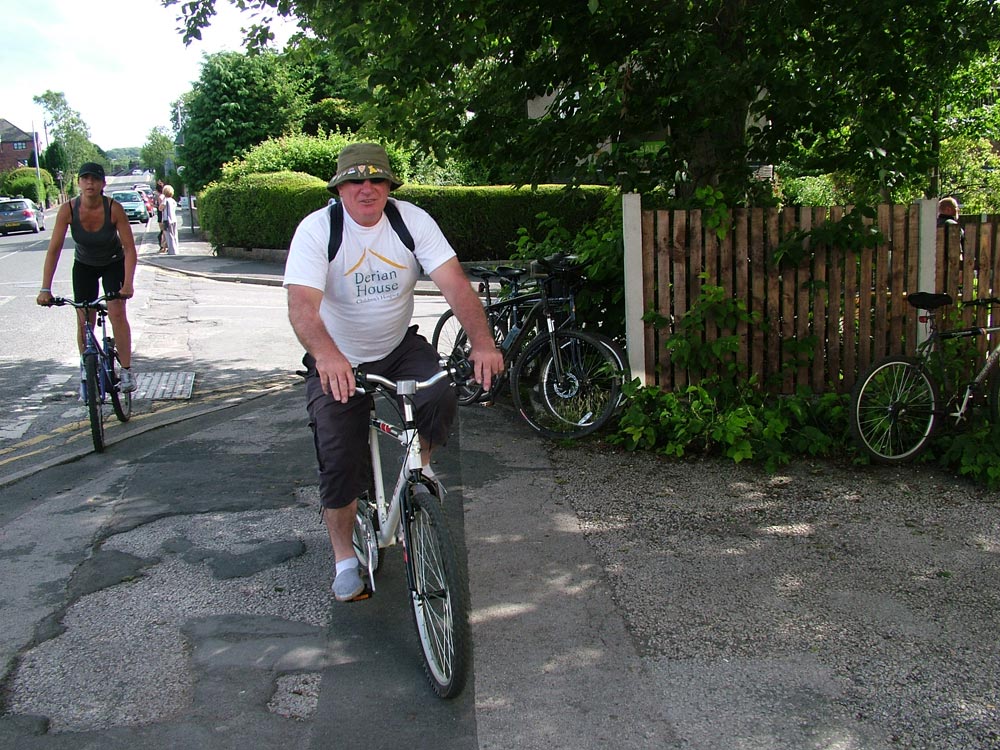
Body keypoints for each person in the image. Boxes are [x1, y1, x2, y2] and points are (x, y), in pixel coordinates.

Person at [283, 142, 504, 602]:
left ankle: (420, 467)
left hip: (397, 347)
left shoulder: (410, 221)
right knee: (339, 457)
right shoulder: (318, 230)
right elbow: (302, 305)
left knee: (441, 394)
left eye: (377, 180)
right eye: (356, 181)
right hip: (338, 354)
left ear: (389, 186)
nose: (367, 189)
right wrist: (325, 355)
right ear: (340, 188)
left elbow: (454, 283)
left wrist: (482, 341)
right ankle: (345, 558)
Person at [36, 162, 138, 393]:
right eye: (85, 178)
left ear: (103, 183)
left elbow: (130, 249)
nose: (89, 183)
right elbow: (54, 249)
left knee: (117, 312)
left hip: (113, 262)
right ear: (79, 183)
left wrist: (128, 284)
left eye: (95, 179)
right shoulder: (68, 210)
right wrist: (45, 289)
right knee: (84, 319)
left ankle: (126, 370)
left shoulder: (114, 209)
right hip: (84, 266)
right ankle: (87, 367)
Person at [161, 184, 179, 255]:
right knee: (175, 235)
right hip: (174, 219)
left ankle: (172, 251)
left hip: (167, 220)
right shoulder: (173, 200)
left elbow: (160, 208)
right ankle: (176, 250)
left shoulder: (166, 200)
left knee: (169, 235)